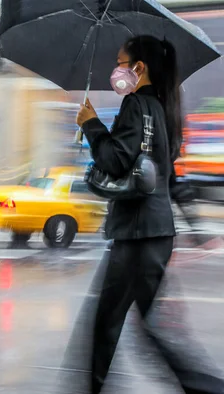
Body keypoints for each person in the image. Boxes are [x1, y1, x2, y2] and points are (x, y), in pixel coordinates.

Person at [76, 36, 224, 394]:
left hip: (136, 234)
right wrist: (194, 223)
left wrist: (91, 124)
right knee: (148, 326)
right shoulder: (165, 108)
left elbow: (115, 160)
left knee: (105, 326)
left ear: (138, 67)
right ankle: (203, 387)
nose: (117, 69)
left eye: (121, 61)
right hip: (157, 234)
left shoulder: (135, 105)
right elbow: (171, 176)